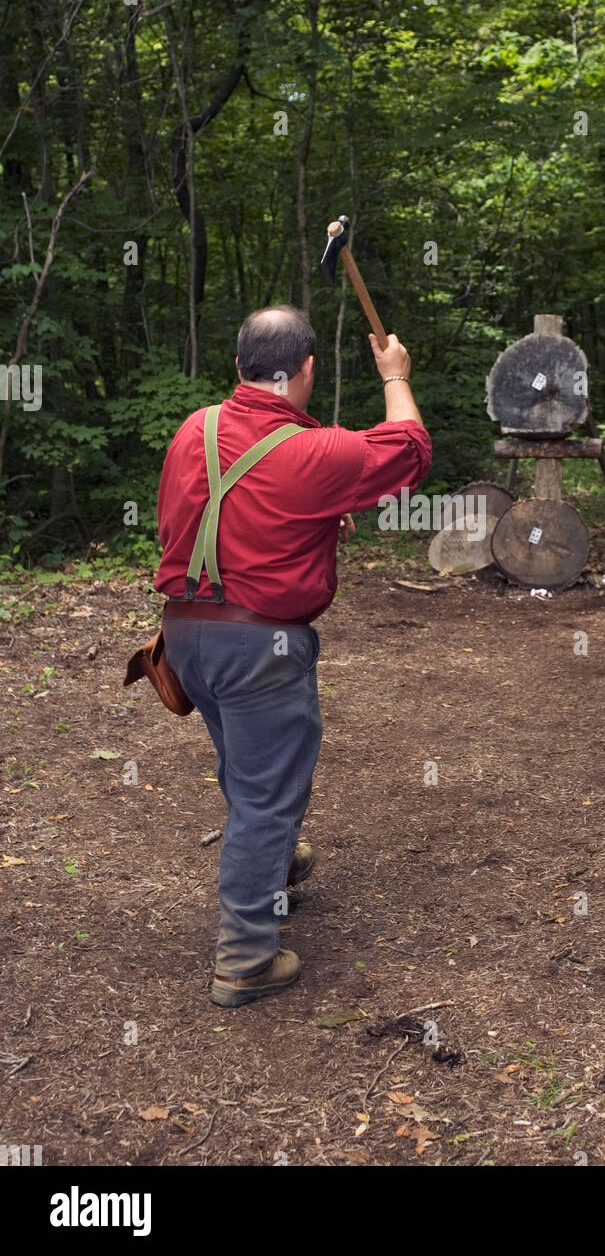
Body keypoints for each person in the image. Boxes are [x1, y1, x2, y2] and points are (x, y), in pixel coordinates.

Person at [154, 305, 431, 1006]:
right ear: (307, 370)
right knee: (265, 796)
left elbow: (179, 524)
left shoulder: (195, 429)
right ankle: (246, 956)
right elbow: (409, 451)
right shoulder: (320, 452)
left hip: (186, 639)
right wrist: (394, 376)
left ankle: (273, 869)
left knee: (251, 770)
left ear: (239, 368)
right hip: (259, 647)